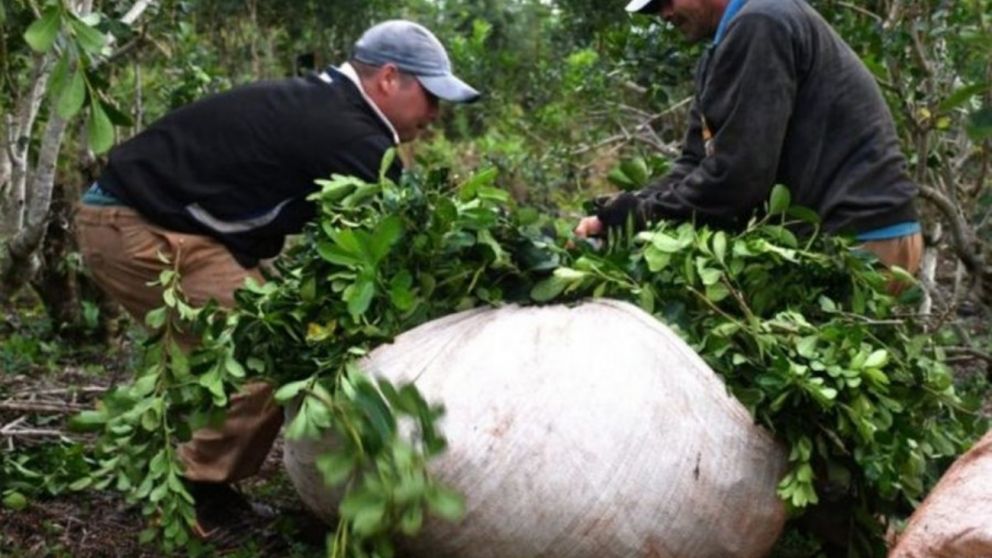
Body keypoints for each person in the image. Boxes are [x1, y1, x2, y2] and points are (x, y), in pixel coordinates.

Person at [75, 19, 479, 538]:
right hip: (140, 227)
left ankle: (186, 464)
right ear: (389, 79)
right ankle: (194, 495)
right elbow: (405, 229)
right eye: (430, 96)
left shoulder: (329, 103)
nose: (434, 114)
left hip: (161, 220)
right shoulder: (351, 133)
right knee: (263, 351)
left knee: (249, 334)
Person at [575, 0, 923, 275]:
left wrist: (645, 215)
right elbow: (695, 161)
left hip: (860, 238)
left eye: (666, 1)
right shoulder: (722, 48)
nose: (664, 14)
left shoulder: (762, 21)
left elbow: (741, 174)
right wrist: (625, 208)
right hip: (843, 234)